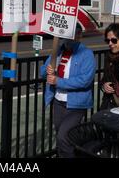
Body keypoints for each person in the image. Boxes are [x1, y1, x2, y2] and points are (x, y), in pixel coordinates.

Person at [41, 25, 96, 158]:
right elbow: (43, 73)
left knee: (63, 138)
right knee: (63, 136)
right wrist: (47, 71)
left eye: (73, 35)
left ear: (79, 36)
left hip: (76, 105)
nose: (69, 38)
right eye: (66, 35)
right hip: (58, 102)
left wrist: (59, 81)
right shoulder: (58, 51)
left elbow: (85, 80)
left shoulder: (86, 54)